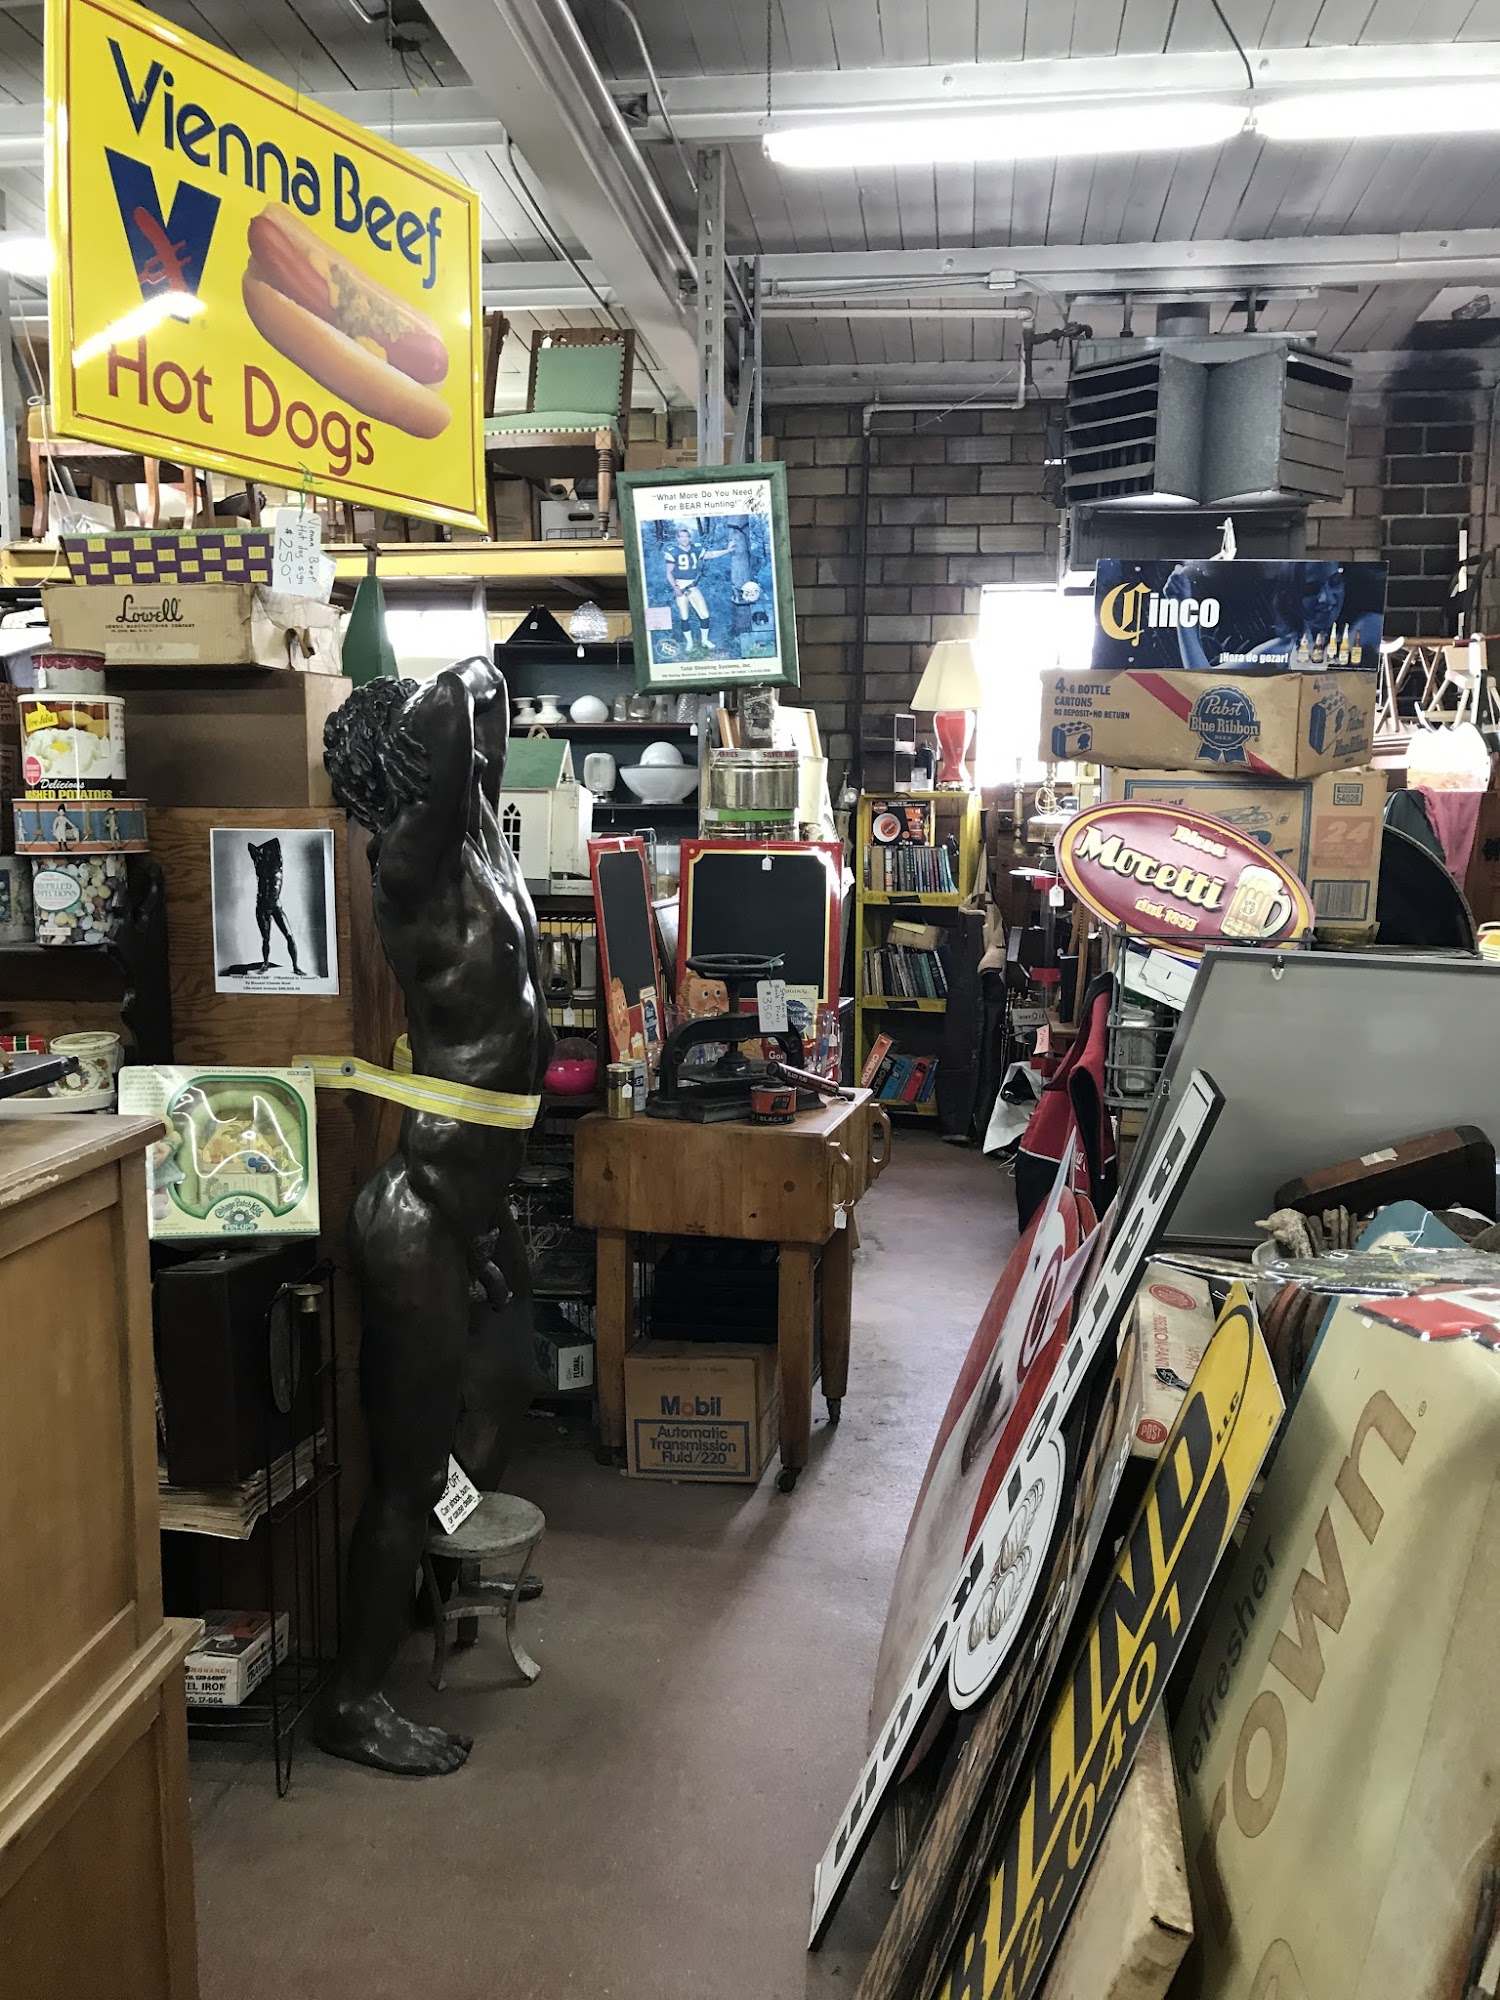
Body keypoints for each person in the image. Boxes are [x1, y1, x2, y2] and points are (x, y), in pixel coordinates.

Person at [317, 659, 553, 1776]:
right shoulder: (408, 863)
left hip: (474, 1203)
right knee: (406, 1474)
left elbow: (480, 695)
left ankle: (425, 1591)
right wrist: (436, 688)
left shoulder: (481, 844)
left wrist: (470, 687)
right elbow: (459, 694)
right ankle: (352, 1699)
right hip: (416, 1214)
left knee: (506, 1386)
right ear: (409, 773)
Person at [662, 524, 731, 656]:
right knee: (684, 616)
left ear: (690, 538)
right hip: (680, 585)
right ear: (678, 538)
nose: (684, 539)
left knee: (704, 615)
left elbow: (711, 554)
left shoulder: (696, 549)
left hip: (693, 586)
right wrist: (675, 587)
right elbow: (669, 572)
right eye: (681, 537)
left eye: (686, 536)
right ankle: (690, 643)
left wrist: (727, 550)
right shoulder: (673, 551)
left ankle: (704, 640)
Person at [247, 836, 302, 975]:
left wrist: (263, 849)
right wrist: (260, 852)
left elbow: (275, 841)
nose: (267, 854)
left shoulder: (277, 864)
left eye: (268, 852)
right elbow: (250, 846)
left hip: (276, 906)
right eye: (265, 852)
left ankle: (296, 967)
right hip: (262, 906)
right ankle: (265, 964)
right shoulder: (259, 864)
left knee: (289, 936)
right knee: (266, 938)